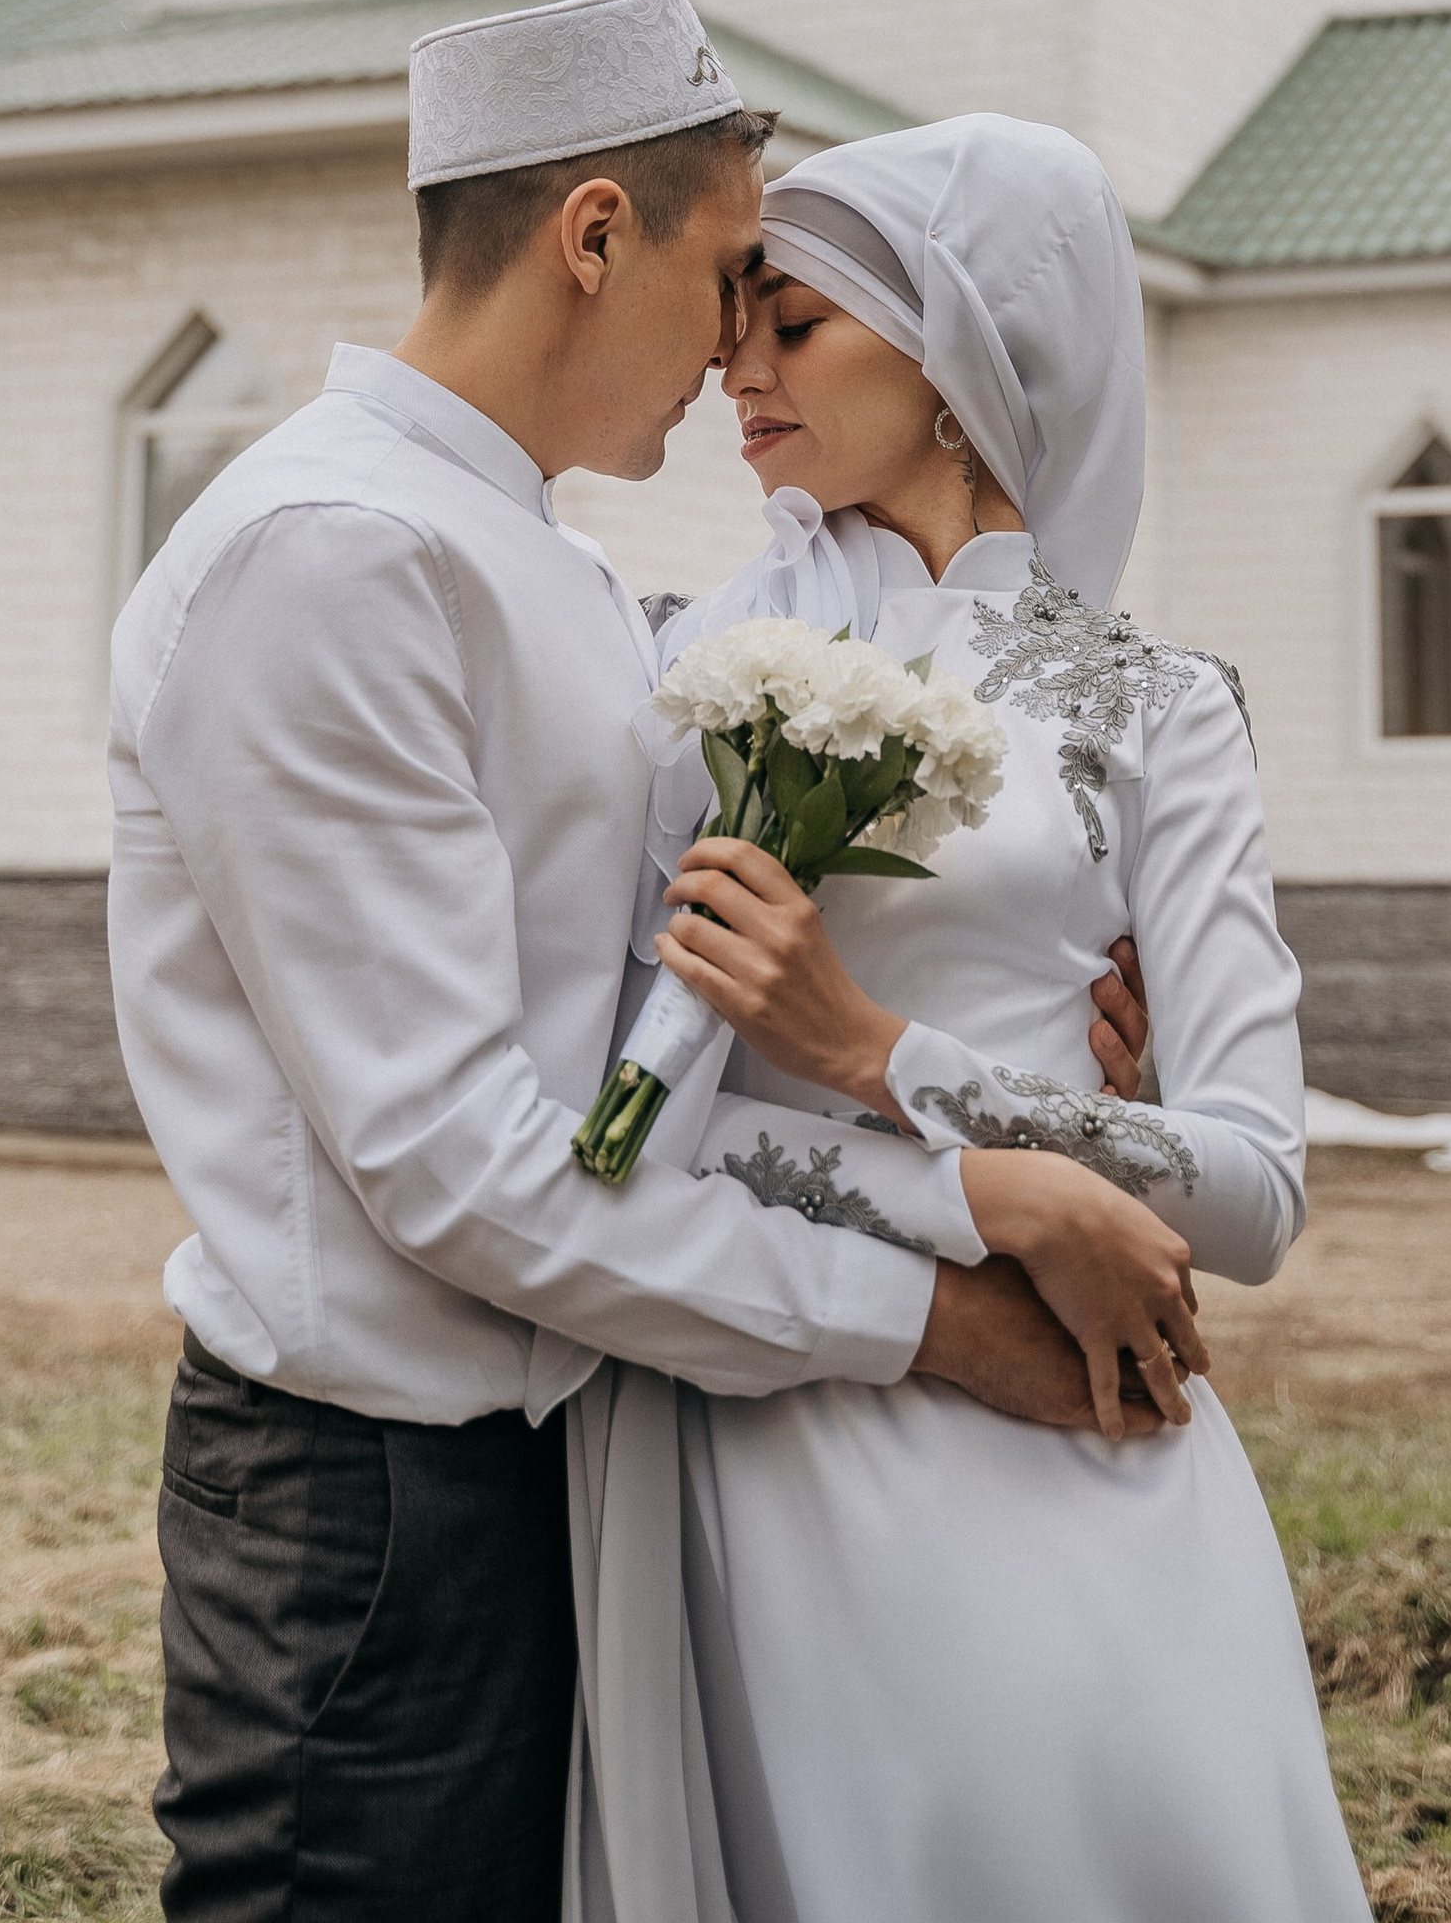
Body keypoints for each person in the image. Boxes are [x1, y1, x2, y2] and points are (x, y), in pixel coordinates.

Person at [106, 0, 1184, 1923]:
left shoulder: (555, 568)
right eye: (723, 277)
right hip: (372, 1499)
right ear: (594, 236)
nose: (730, 346)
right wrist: (953, 1323)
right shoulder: (331, 559)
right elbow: (465, 1168)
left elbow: (674, 1029)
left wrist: (1036, 1055)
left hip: (574, 1453)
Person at [575, 112, 1373, 1923]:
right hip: (795, 1433)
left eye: (794, 323)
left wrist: (889, 1059)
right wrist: (973, 1183)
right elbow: (646, 1127)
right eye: (737, 323)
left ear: (953, 362)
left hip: (1100, 1441)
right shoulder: (702, 672)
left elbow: (1248, 1193)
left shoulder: (1154, 703)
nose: (736, 371)